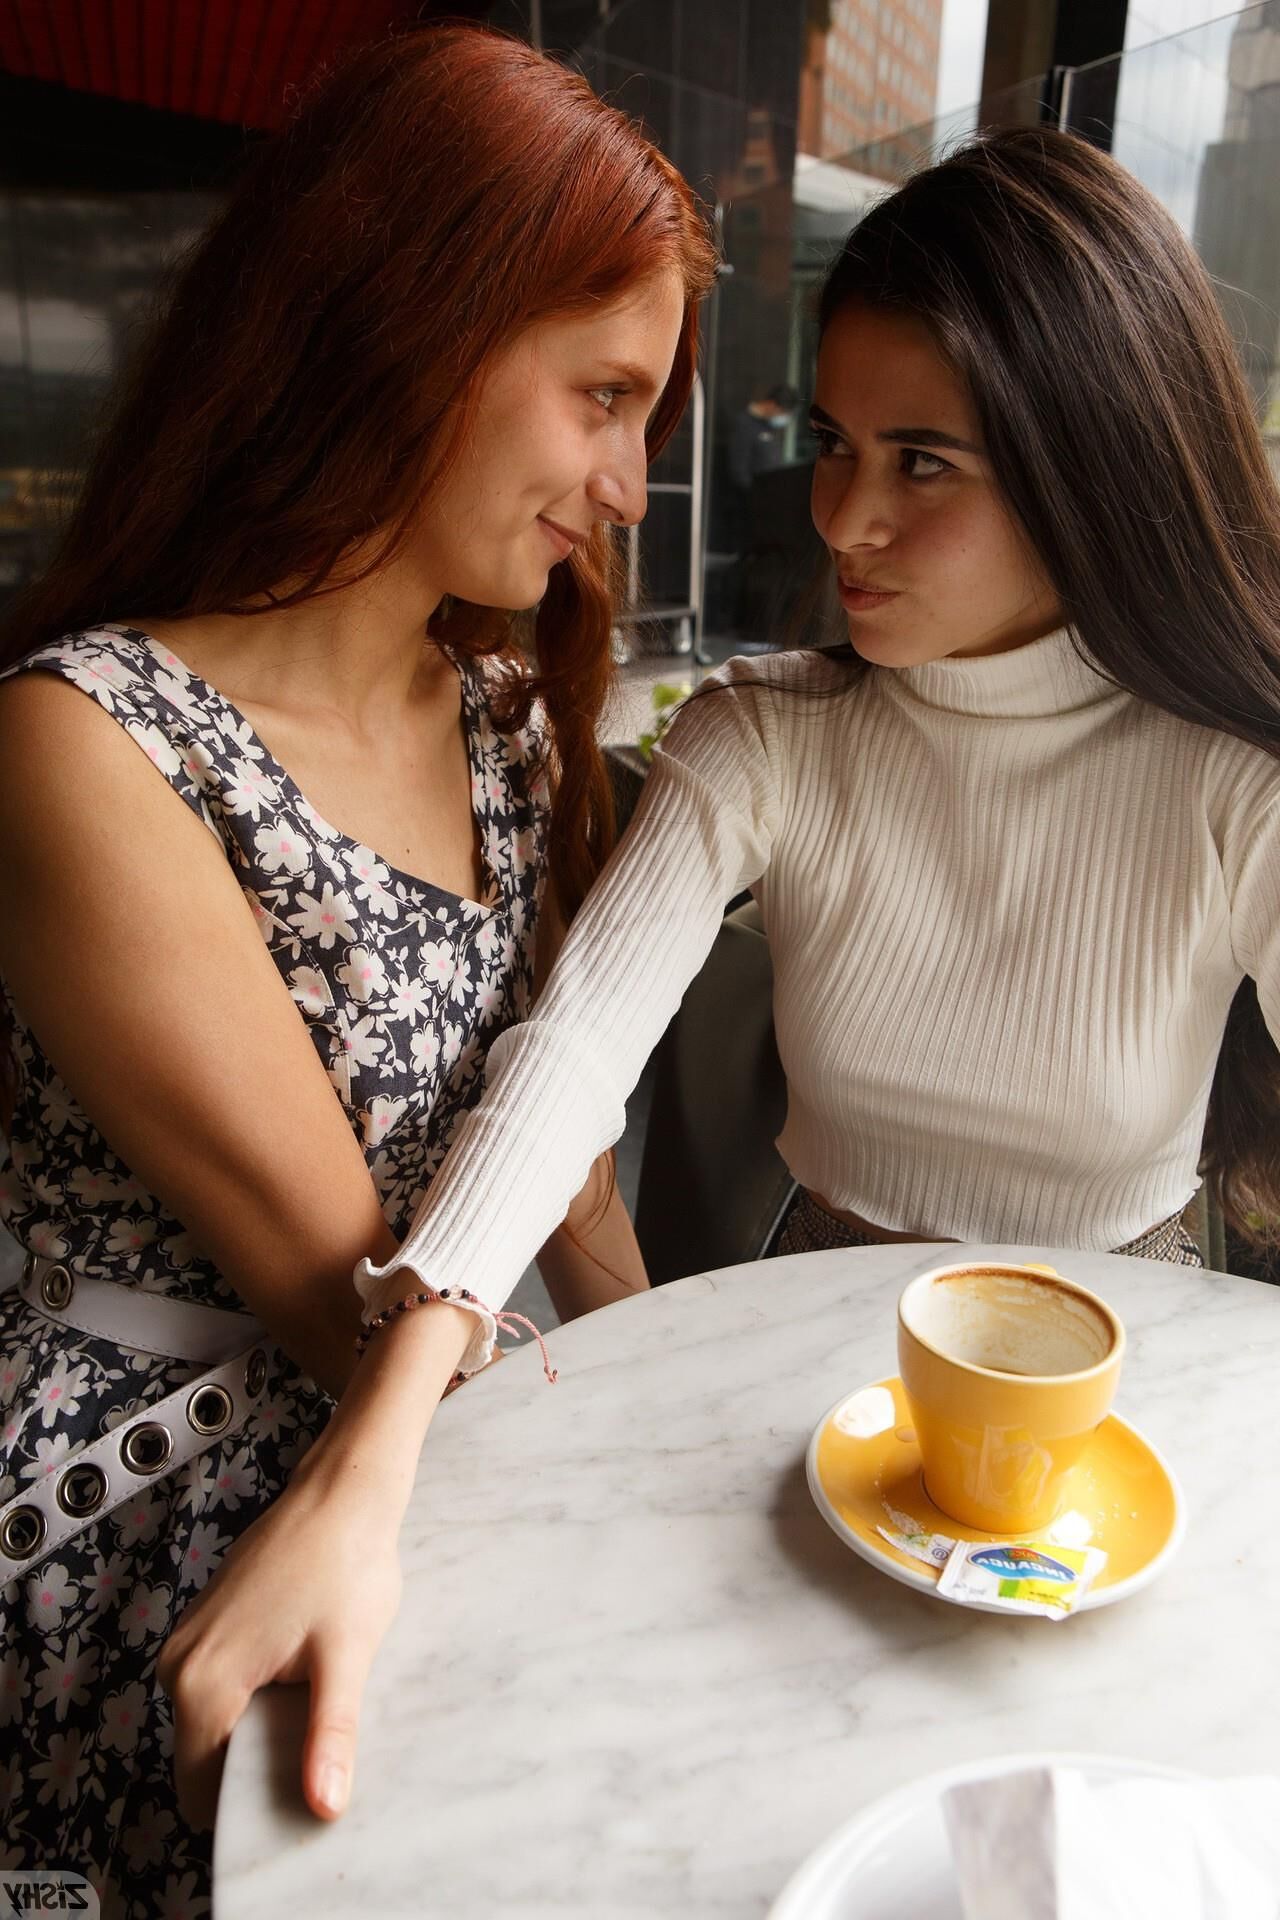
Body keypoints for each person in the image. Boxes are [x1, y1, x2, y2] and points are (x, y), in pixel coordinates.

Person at [161, 126, 1280, 1827]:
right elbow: (568, 1056)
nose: (843, 516)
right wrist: (371, 1457)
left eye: (926, 462)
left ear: (1091, 468)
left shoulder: (1237, 780)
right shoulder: (768, 736)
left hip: (1146, 1367)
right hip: (820, 1353)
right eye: (834, 444)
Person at [0, 22, 716, 1905]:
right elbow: (346, 1289)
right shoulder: (88, 742)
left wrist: (667, 1368)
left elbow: (550, 1142)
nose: (631, 485)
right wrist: (676, 1503)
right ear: (418, 323)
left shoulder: (499, 713)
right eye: (602, 396)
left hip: (428, 1432)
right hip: (162, 1494)